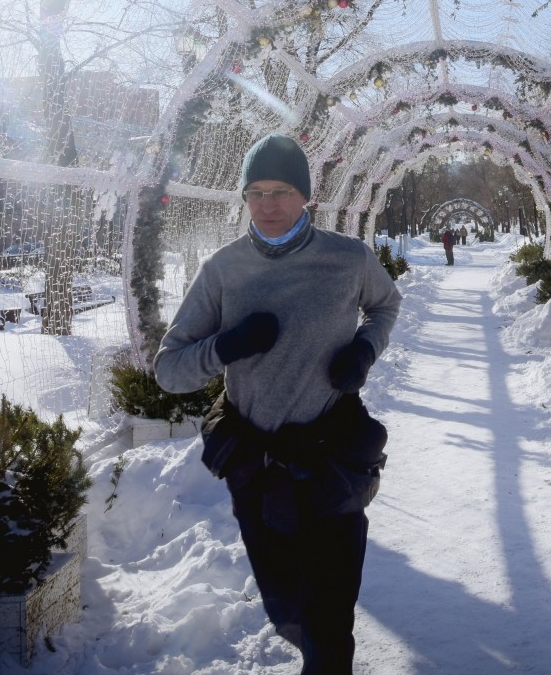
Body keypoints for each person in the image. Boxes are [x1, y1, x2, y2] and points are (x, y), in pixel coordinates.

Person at [155, 133, 399, 674]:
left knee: (329, 619)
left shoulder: (348, 259)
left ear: (307, 197)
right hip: (258, 468)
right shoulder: (223, 269)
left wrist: (363, 349)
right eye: (256, 192)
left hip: (334, 458)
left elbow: (385, 305)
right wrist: (226, 346)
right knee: (286, 607)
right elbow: (168, 369)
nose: (268, 205)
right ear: (243, 197)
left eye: (283, 191)